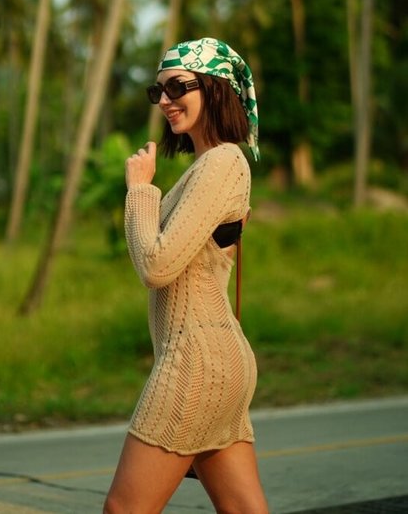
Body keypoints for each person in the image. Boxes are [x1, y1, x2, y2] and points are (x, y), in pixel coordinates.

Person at [103, 37, 269, 514]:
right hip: (215, 358)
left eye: (177, 86)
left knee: (123, 509)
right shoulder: (207, 167)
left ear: (215, 87)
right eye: (157, 91)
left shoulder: (223, 162)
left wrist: (139, 190)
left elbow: (155, 267)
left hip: (196, 361)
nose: (165, 100)